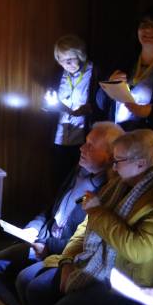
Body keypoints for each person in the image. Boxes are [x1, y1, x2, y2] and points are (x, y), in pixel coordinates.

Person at [23, 129, 153, 305]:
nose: (113, 168)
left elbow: (139, 250)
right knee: (35, 288)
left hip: (130, 279)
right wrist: (67, 260)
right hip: (96, 260)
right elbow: (86, 227)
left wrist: (98, 212)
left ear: (140, 163)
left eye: (117, 161)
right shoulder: (122, 182)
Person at [0, 121, 123, 305]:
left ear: (111, 156)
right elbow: (51, 208)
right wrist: (33, 228)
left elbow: (84, 242)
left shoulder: (107, 193)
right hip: (42, 240)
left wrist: (46, 245)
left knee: (28, 282)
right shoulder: (78, 169)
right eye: (85, 142)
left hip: (61, 250)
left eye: (91, 146)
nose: (82, 148)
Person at [97, 7, 153, 139]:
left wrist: (152, 112)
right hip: (116, 137)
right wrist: (109, 86)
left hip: (148, 142)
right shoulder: (124, 60)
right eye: (144, 24)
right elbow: (101, 103)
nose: (148, 30)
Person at [43, 35, 98, 189]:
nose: (66, 64)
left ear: (80, 55)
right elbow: (50, 99)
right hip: (60, 137)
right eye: (61, 60)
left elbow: (104, 104)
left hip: (83, 138)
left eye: (71, 59)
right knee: (58, 182)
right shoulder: (58, 74)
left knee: (80, 184)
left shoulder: (95, 72)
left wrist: (90, 108)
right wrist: (49, 102)